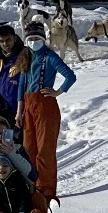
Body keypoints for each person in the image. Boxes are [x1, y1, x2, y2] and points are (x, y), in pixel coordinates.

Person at [12, 21, 76, 201]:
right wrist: (19, 112)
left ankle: (46, 190)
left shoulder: (50, 56)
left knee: (45, 151)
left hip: (45, 106)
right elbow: (21, 86)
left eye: (36, 38)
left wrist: (57, 92)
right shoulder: (26, 56)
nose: (33, 41)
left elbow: (70, 76)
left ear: (43, 39)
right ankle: (30, 186)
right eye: (30, 39)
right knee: (28, 149)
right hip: (28, 107)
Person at [0, 24, 25, 117]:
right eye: (1, 41)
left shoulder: (25, 56)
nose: (5, 44)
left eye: (8, 40)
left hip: (18, 111)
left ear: (14, 38)